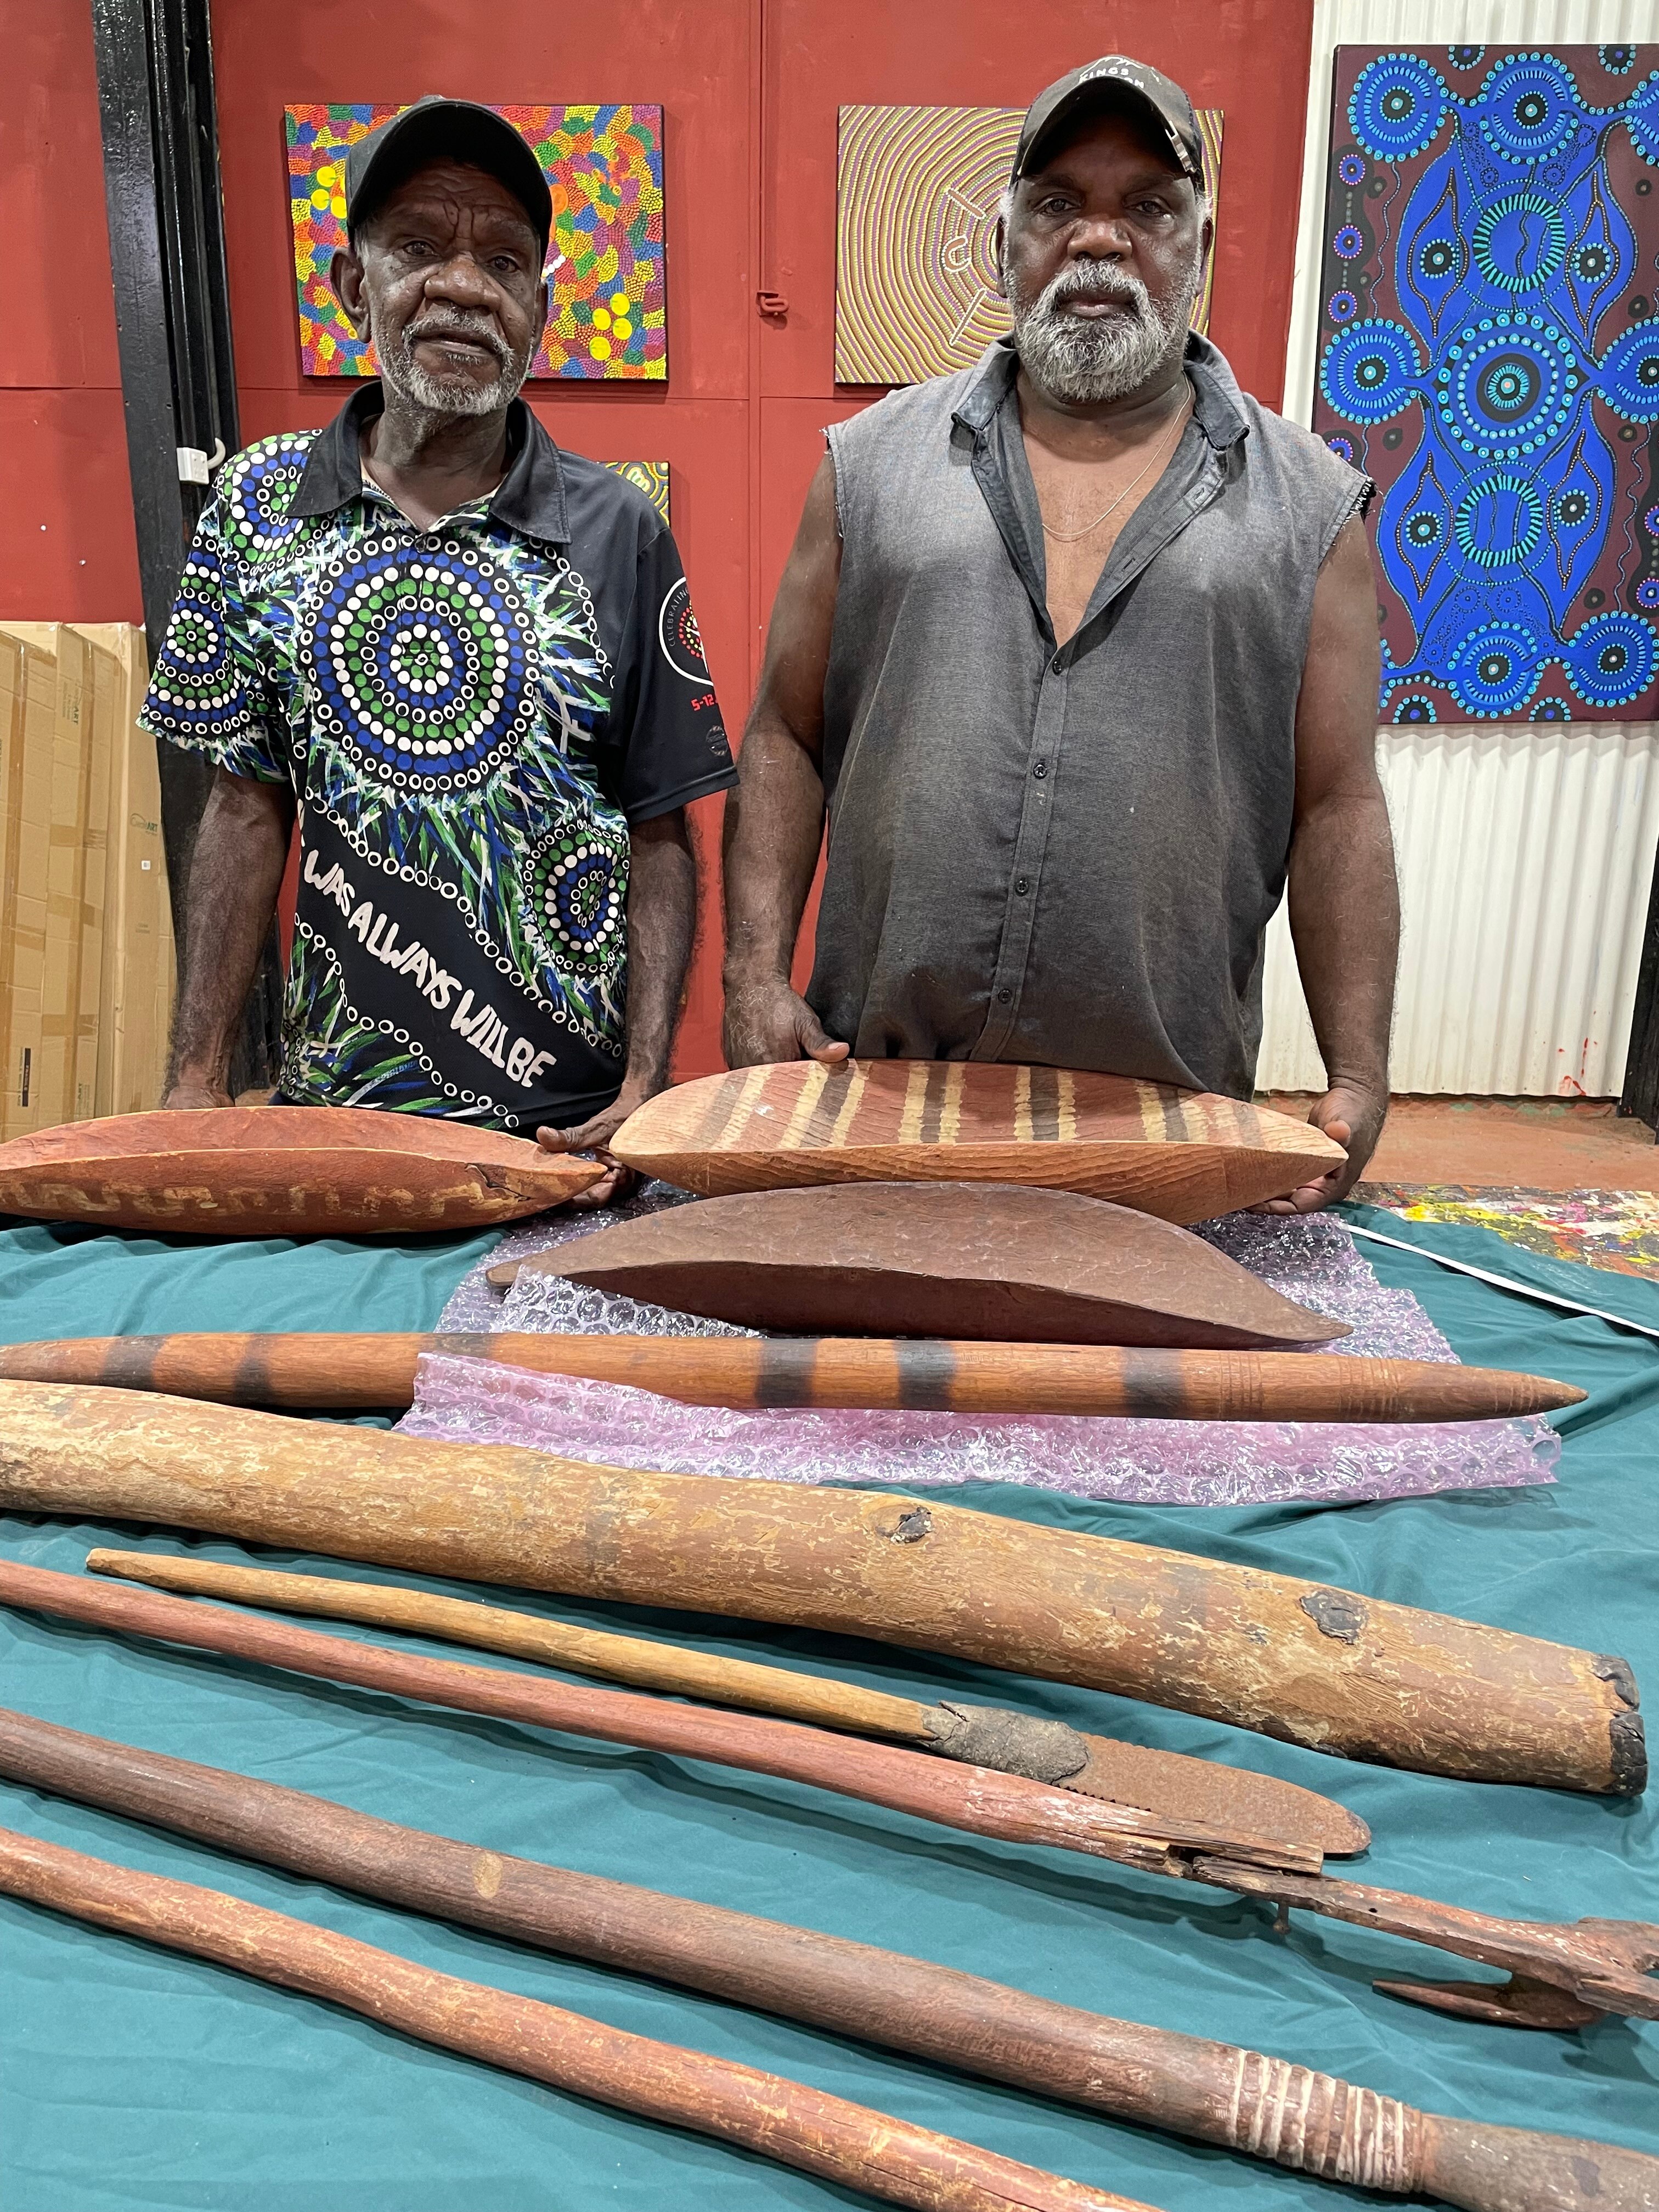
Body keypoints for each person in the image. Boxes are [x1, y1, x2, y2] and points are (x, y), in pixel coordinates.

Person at [722, 58, 1398, 1211]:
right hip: (878, 1096)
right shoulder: (871, 467)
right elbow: (787, 732)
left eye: (1146, 206)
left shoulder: (1310, 507)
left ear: (1199, 244)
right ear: (1006, 245)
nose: (1098, 239)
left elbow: (1337, 801)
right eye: (1057, 205)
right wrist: (751, 973)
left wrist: (1359, 1073)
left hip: (1167, 1123)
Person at [144, 97, 735, 1197]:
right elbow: (241, 803)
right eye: (419, 245)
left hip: (561, 1134)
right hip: (339, 1122)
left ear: (540, 309)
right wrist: (196, 1079)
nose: (464, 284)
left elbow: (664, 828)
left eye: (503, 259)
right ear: (351, 284)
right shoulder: (256, 509)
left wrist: (648, 1083)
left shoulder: (620, 531)